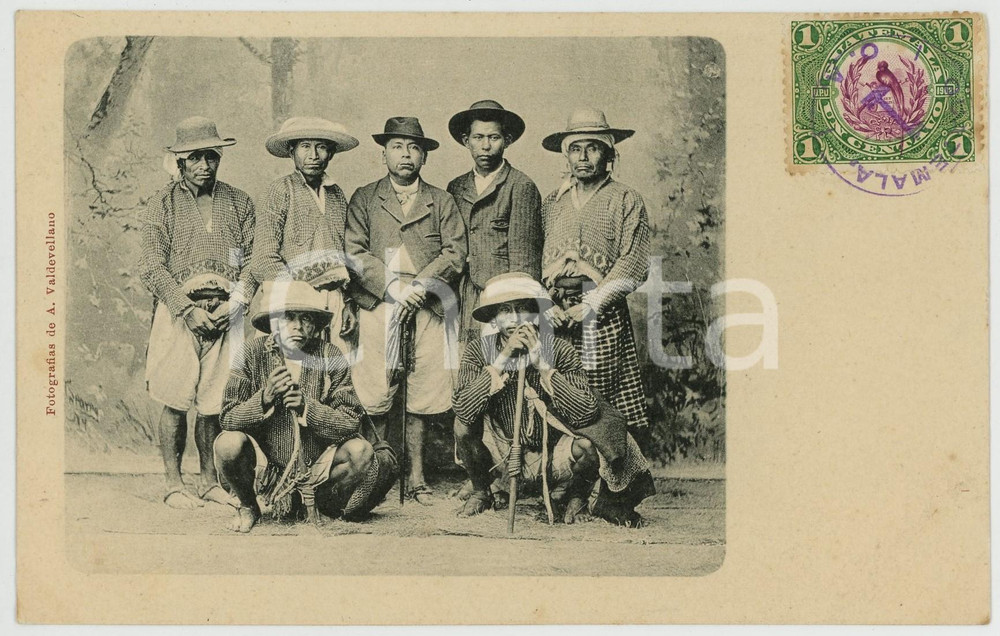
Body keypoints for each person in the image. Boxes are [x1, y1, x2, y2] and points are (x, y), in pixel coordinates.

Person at [452, 273, 654, 525]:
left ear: (535, 312)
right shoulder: (477, 351)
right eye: (505, 310)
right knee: (461, 426)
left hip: (550, 454)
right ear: (494, 316)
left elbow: (586, 412)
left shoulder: (560, 349)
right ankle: (482, 491)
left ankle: (576, 495)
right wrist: (502, 359)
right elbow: (464, 408)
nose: (515, 319)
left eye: (523, 309)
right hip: (502, 452)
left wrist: (543, 366)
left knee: (588, 447)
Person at [345, 117, 467, 505]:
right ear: (383, 153)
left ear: (424, 156)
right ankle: (375, 473)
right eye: (397, 147)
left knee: (422, 393)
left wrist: (419, 286)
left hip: (428, 305)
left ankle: (416, 477)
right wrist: (394, 287)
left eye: (414, 148)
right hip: (380, 303)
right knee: (375, 391)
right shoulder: (364, 197)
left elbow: (455, 253)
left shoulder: (441, 200)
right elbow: (354, 250)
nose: (406, 155)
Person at [139, 116, 257, 510]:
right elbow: (151, 265)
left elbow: (253, 260)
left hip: (226, 314)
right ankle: (174, 483)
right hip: (180, 315)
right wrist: (186, 310)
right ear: (179, 162)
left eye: (211, 156)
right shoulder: (162, 204)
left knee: (213, 403)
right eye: (195, 157)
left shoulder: (239, 202)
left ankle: (209, 480)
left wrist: (236, 302)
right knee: (175, 400)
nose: (204, 164)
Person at [215, 281, 396, 533]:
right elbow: (227, 418)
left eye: (307, 318)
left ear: (315, 326)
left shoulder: (329, 355)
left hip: (315, 465)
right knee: (227, 443)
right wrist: (264, 398)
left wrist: (306, 409)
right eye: (288, 317)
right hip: (266, 468)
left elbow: (350, 421)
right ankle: (249, 506)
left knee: (361, 451)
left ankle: (320, 503)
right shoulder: (250, 353)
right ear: (273, 323)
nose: (298, 326)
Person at [539, 108, 652, 438]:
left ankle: (611, 479)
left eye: (593, 147)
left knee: (601, 393)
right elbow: (536, 259)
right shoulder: (552, 203)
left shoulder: (625, 199)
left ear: (609, 153)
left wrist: (592, 305)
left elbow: (633, 260)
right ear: (566, 155)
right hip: (557, 311)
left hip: (601, 310)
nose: (583, 157)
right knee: (559, 388)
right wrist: (549, 305)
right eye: (575, 148)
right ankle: (569, 475)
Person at [252, 117, 361, 352]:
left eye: (321, 147)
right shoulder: (280, 190)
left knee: (336, 373)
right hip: (293, 304)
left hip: (334, 300)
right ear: (292, 152)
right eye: (305, 147)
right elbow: (263, 258)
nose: (313, 155)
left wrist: (349, 302)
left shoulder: (336, 195)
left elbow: (346, 254)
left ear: (330, 153)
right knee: (294, 375)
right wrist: (299, 299)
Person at [446, 100, 543, 342]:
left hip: (503, 300)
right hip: (464, 295)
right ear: (465, 140)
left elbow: (525, 262)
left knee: (502, 364)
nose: (486, 146)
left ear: (507, 140)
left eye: (494, 137)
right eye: (478, 138)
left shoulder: (521, 186)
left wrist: (517, 314)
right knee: (467, 365)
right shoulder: (456, 187)